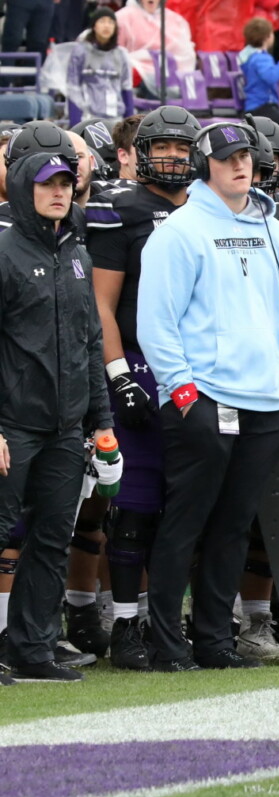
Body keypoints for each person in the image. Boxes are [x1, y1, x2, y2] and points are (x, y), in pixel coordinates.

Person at [135, 121, 279, 671]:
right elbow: (155, 324)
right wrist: (183, 394)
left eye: (246, 155)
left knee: (234, 525)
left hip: (268, 400)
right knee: (186, 522)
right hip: (204, 398)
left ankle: (215, 641)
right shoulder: (178, 232)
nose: (239, 165)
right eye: (227, 157)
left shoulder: (273, 228)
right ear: (207, 164)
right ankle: (166, 645)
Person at [83, 106, 201, 671]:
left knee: (189, 509)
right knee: (133, 508)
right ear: (139, 153)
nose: (175, 157)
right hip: (141, 364)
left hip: (200, 370)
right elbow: (102, 304)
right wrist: (119, 376)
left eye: (184, 148)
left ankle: (170, 621)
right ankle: (126, 623)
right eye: (164, 148)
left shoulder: (210, 210)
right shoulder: (120, 207)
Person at [0, 155, 114, 683]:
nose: (60, 192)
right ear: (26, 188)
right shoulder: (2, 251)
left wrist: (101, 419)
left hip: (66, 427)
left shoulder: (78, 255)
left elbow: (91, 341)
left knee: (50, 539)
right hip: (13, 424)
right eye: (49, 184)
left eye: (67, 183)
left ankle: (32, 649)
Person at [116, 0, 197, 98]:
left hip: (170, 71)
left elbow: (185, 53)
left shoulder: (175, 20)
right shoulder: (123, 17)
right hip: (139, 72)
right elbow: (116, 53)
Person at [68, 9, 133, 123]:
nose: (106, 26)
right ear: (94, 26)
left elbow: (126, 88)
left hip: (116, 119)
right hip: (88, 119)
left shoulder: (121, 54)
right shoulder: (81, 52)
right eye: (102, 21)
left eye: (111, 22)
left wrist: (130, 125)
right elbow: (73, 89)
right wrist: (75, 124)